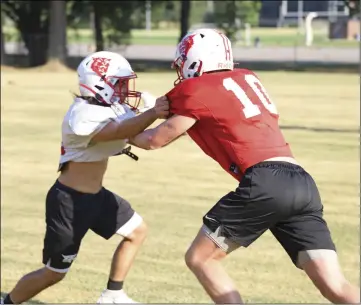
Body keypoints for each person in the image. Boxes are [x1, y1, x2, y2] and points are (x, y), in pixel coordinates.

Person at [129, 29, 360, 304]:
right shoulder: (248, 77)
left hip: (266, 182)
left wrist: (121, 129)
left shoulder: (195, 89)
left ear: (195, 60)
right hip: (302, 182)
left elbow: (155, 140)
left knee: (201, 258)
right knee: (335, 286)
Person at [2, 51, 169, 304]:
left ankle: (113, 294)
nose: (125, 90)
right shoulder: (81, 114)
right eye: (119, 83)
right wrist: (153, 112)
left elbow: (147, 139)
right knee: (54, 273)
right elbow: (121, 130)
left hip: (97, 197)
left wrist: (186, 120)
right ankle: (8, 302)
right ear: (100, 83)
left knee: (137, 231)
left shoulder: (112, 108)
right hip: (69, 202)